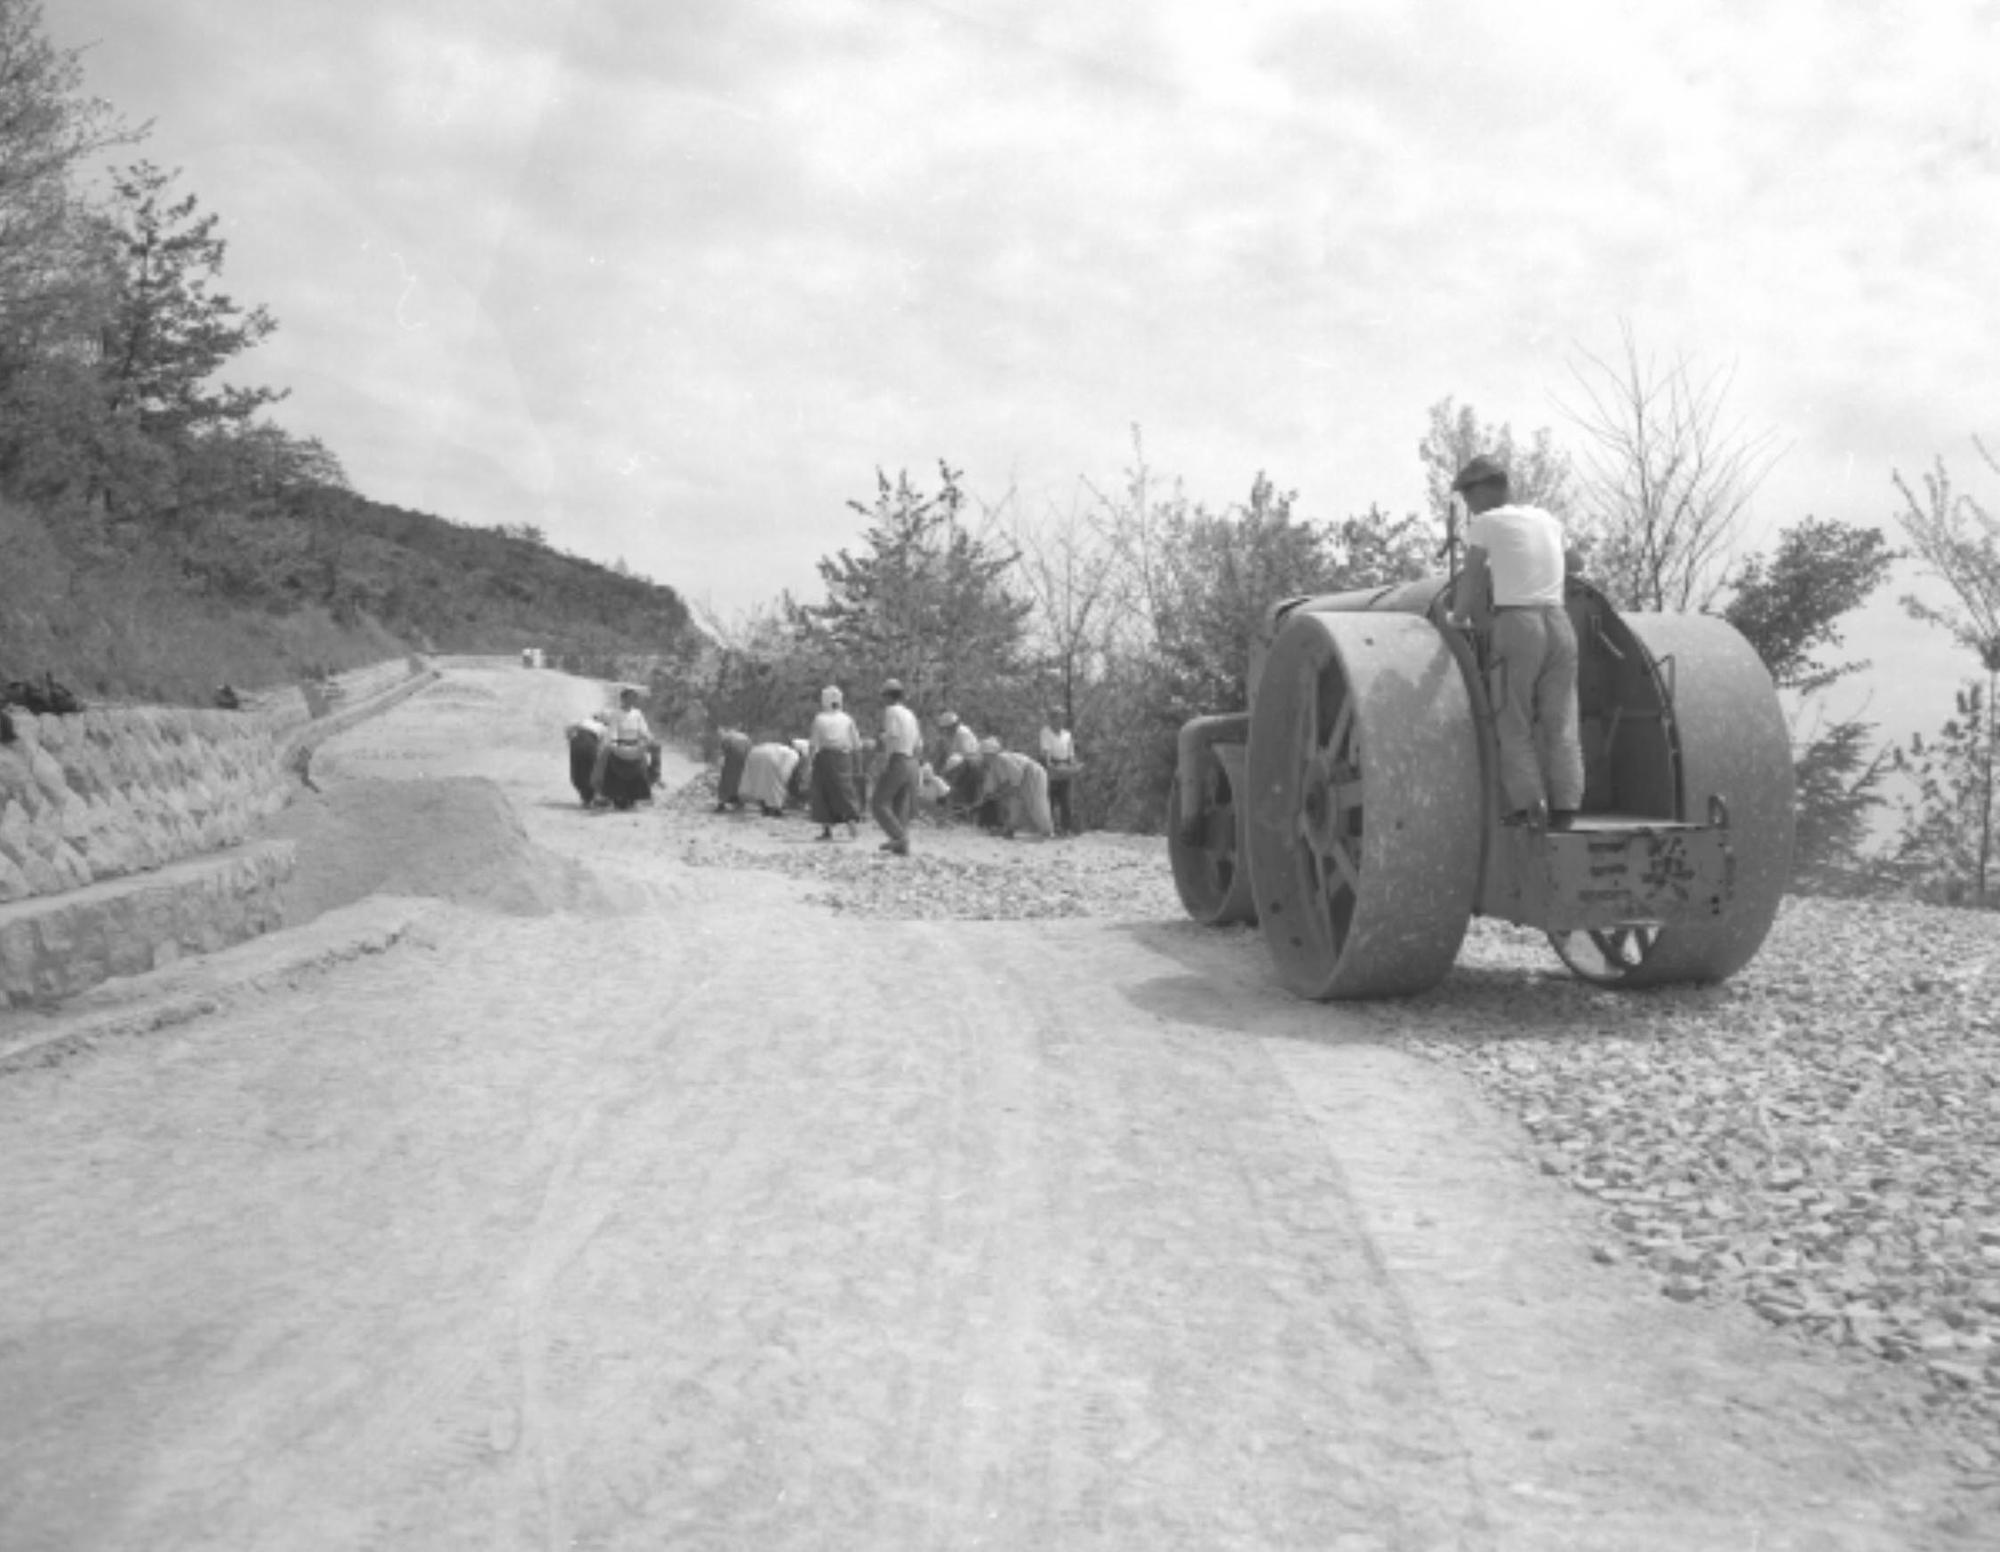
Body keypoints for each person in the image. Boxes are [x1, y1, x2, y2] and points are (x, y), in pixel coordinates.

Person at [1446, 454, 1584, 830]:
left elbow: (1472, 579)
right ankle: (1567, 809)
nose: (1468, 506)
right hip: (1559, 623)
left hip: (1519, 624)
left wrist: (1457, 618)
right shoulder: (1546, 519)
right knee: (1561, 721)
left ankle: (1528, 807)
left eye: (1468, 496)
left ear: (1486, 491)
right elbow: (1576, 564)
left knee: (1513, 720)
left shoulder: (1486, 523)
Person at [871, 678, 920, 856]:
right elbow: (918, 744)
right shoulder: (910, 714)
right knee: (900, 805)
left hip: (898, 759)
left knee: (879, 803)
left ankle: (899, 837)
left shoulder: (891, 711)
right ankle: (902, 848)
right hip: (912, 761)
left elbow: (892, 736)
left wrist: (883, 758)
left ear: (888, 696)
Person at [807, 686, 864, 840]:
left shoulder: (819, 718)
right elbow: (857, 745)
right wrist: (859, 767)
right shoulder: (847, 719)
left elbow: (813, 744)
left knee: (823, 793)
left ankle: (827, 830)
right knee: (845, 792)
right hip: (844, 759)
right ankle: (852, 826)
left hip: (824, 758)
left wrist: (808, 764)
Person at [976, 738, 1055, 839]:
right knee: (1015, 803)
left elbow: (1017, 776)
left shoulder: (1002, 758)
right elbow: (991, 787)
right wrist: (987, 796)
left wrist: (1000, 793)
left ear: (989, 753)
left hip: (1032, 774)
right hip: (1021, 780)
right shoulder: (993, 765)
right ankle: (1011, 828)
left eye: (984, 754)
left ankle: (1047, 831)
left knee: (1036, 803)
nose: (983, 757)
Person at [591, 687, 657, 803]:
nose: (631, 701)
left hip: (635, 744)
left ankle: (654, 779)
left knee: (655, 750)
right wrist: (614, 743)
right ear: (623, 699)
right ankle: (599, 790)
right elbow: (613, 730)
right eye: (629, 698)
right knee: (603, 757)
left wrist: (648, 737)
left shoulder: (638, 713)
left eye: (634, 698)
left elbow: (643, 729)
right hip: (619, 744)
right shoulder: (616, 714)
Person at [1038, 707, 1080, 837]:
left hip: (1064, 764)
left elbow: (1071, 752)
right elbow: (1046, 750)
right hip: (1051, 765)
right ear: (1051, 719)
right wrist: (1049, 764)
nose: (1059, 720)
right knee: (1049, 798)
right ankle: (1049, 828)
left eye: (1061, 717)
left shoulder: (1067, 734)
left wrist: (1073, 764)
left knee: (1065, 799)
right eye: (1056, 717)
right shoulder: (1045, 731)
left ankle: (1066, 828)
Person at [739, 738, 803, 816]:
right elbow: (785, 773)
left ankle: (765, 805)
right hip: (768, 756)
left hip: (754, 752)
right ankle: (775, 808)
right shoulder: (793, 754)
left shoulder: (781, 748)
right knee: (776, 782)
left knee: (760, 780)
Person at [937, 711, 983, 818]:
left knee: (965, 792)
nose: (945, 730)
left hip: (971, 766)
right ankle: (956, 814)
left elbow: (967, 755)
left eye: (947, 728)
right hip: (961, 765)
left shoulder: (963, 733)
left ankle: (966, 816)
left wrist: (951, 771)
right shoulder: (951, 735)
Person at [715, 727, 751, 812]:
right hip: (743, 763)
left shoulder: (726, 738)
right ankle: (739, 801)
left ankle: (721, 803)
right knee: (739, 782)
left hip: (730, 763)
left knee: (725, 782)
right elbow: (749, 751)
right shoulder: (745, 737)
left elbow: (723, 752)